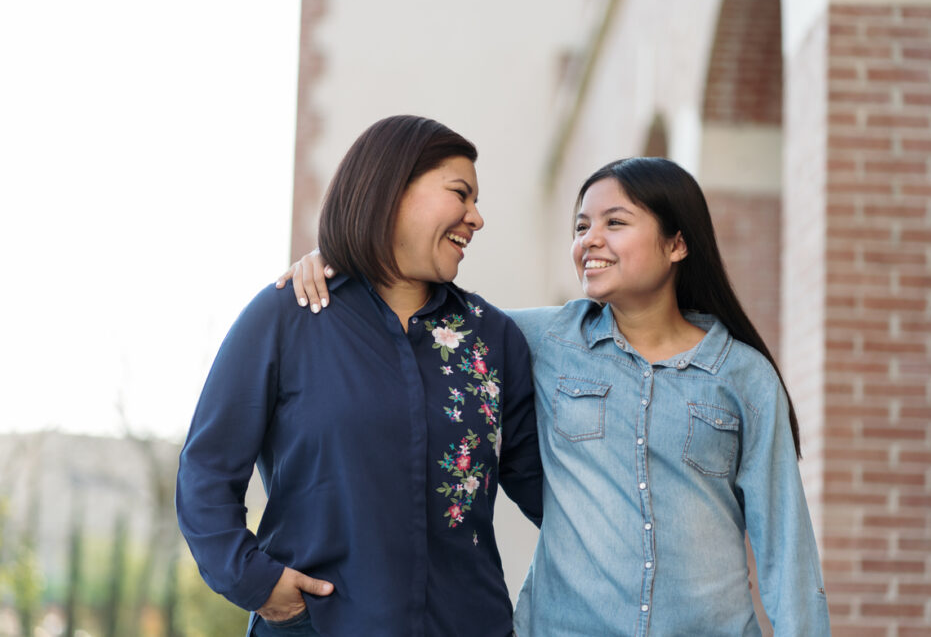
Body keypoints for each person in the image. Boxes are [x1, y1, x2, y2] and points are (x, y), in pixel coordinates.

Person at [280, 157, 831, 635]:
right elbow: (420, 309)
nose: (590, 240)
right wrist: (338, 263)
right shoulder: (533, 340)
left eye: (615, 223)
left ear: (678, 243)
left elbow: (785, 544)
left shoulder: (743, 375)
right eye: (582, 225)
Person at [177, 115, 542, 637]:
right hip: (320, 626)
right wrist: (256, 581)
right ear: (392, 188)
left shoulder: (493, 338)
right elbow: (206, 472)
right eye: (461, 193)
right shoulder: (288, 317)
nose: (477, 218)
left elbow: (550, 494)